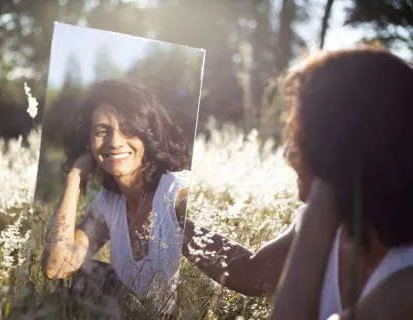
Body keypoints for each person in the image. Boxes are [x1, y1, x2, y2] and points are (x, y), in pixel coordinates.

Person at [41, 79, 286, 318]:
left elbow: (248, 275)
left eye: (127, 127)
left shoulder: (175, 193)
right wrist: (74, 177)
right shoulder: (110, 203)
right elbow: (57, 266)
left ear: (146, 135)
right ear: (89, 144)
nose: (115, 142)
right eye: (102, 131)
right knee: (84, 277)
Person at [271, 48, 413, 320]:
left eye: (300, 137)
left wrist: (321, 206)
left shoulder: (405, 289)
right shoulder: (344, 234)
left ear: (335, 150)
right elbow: (247, 271)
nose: (289, 154)